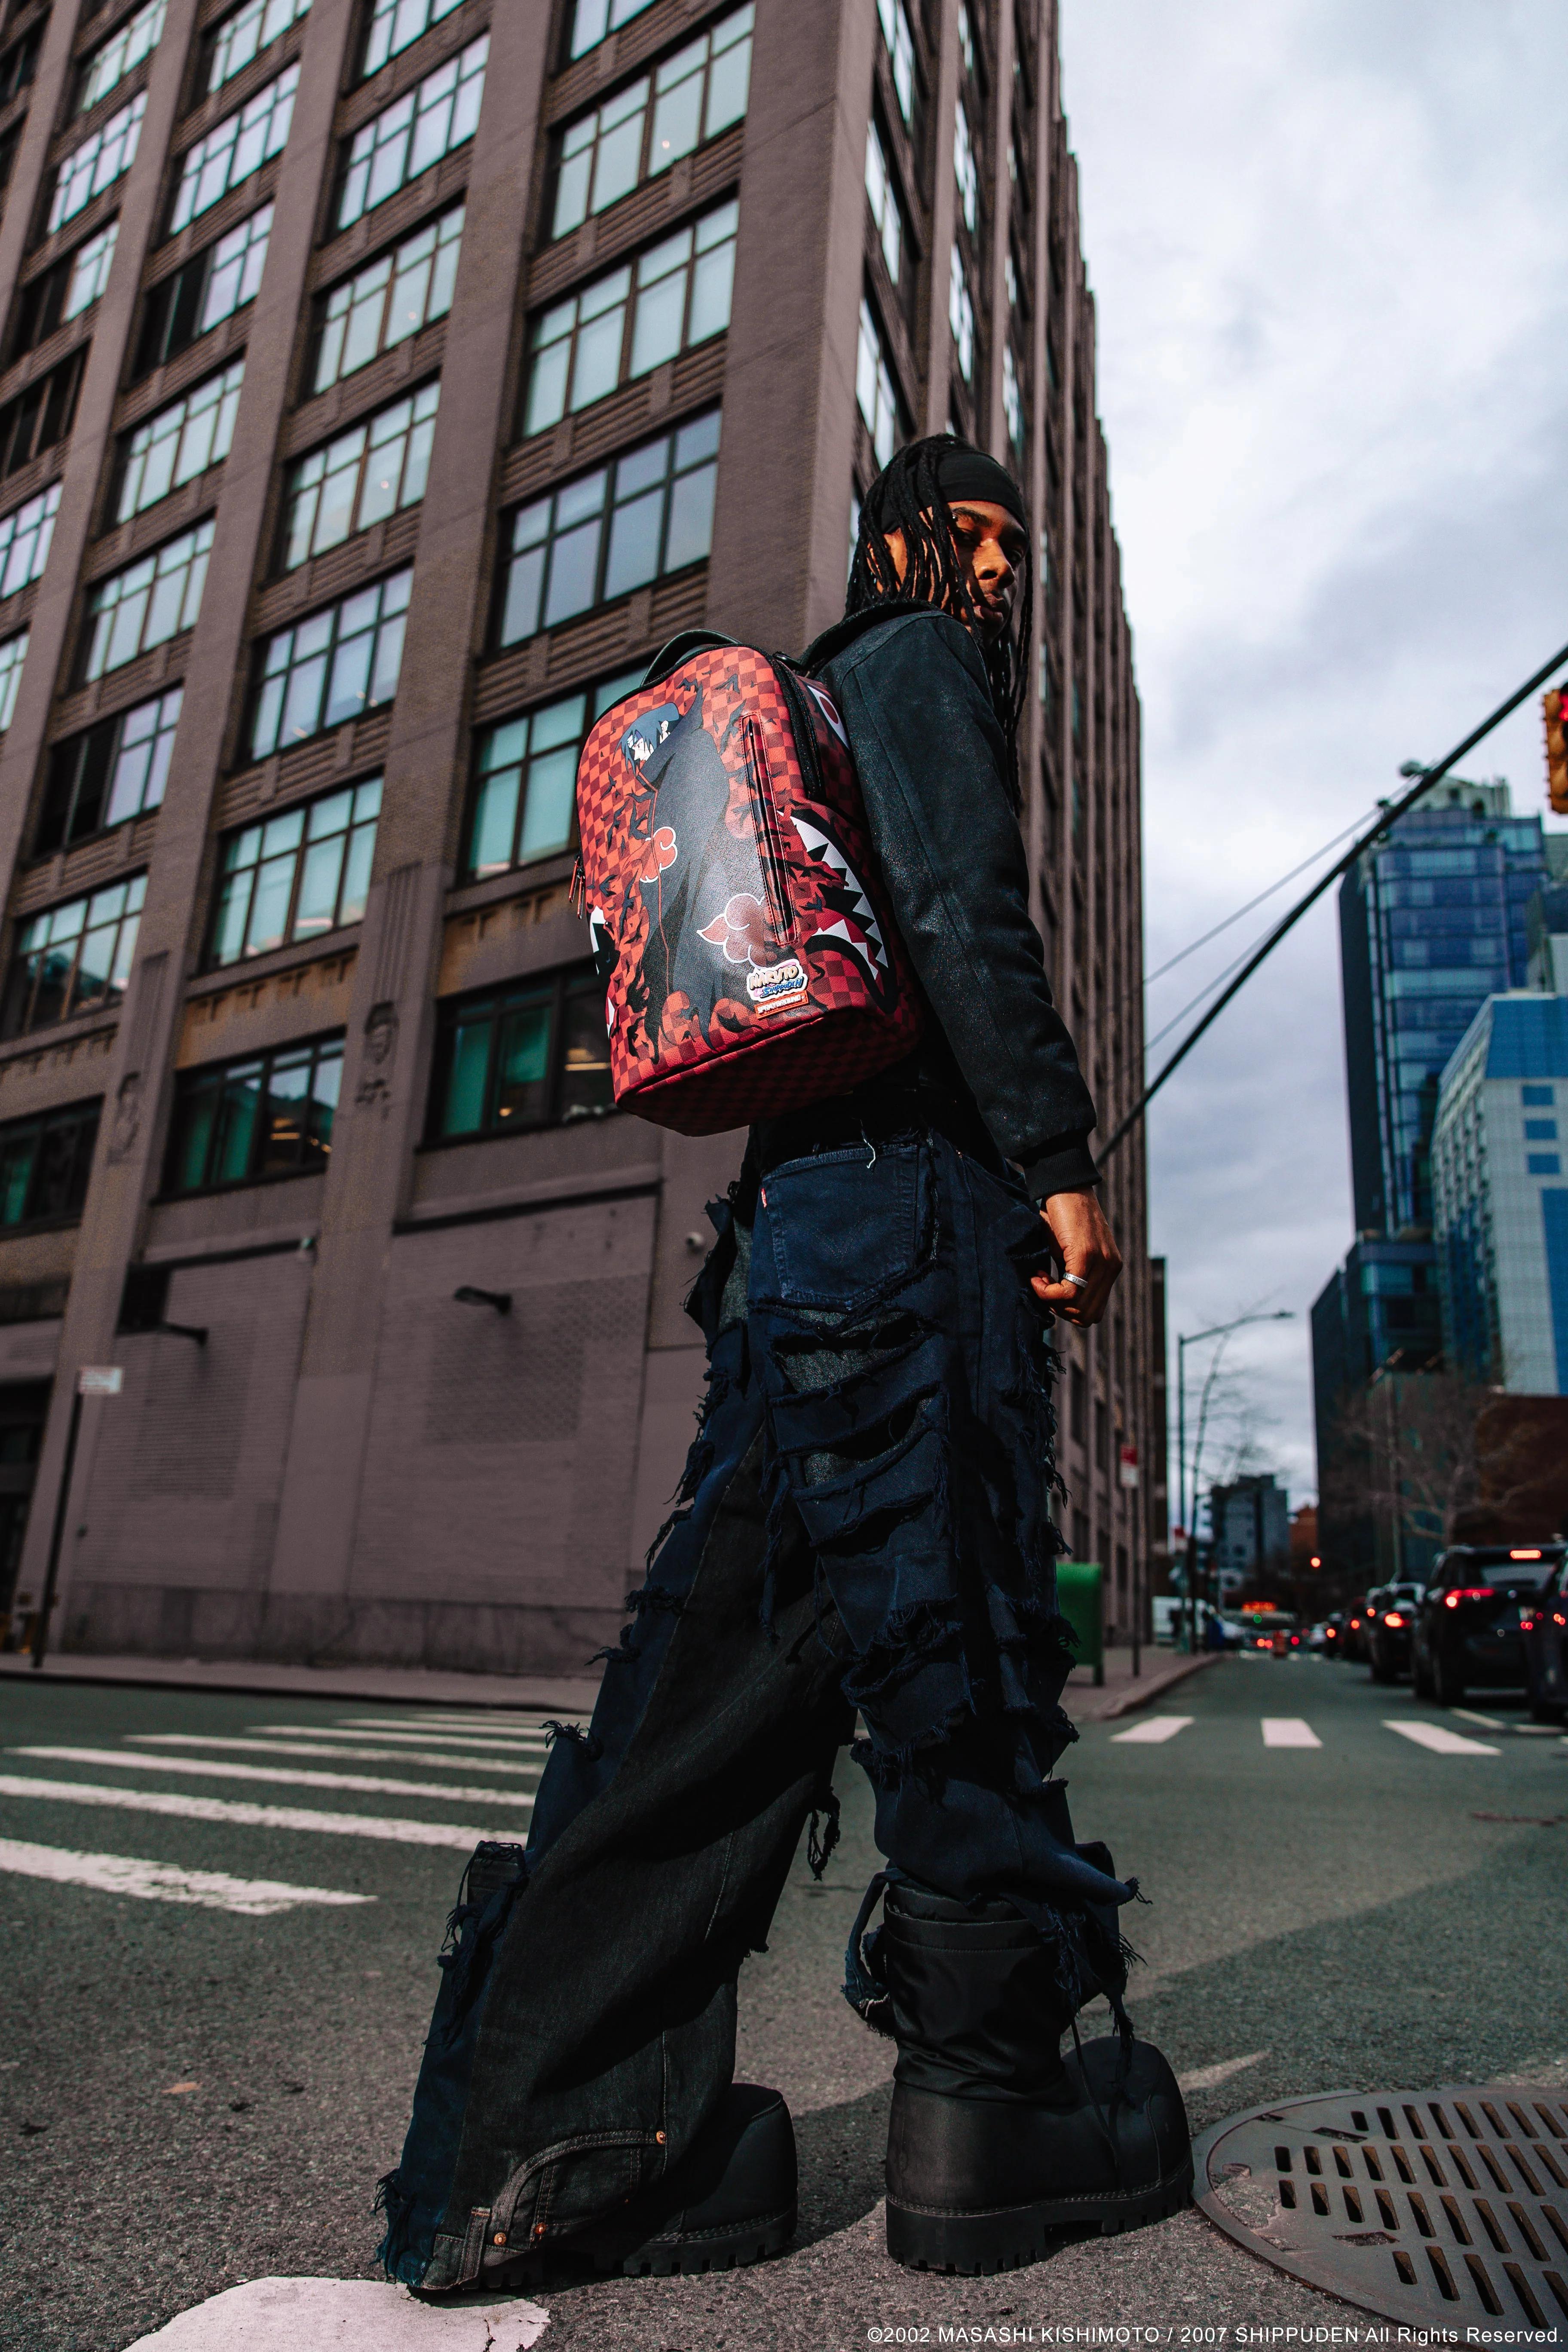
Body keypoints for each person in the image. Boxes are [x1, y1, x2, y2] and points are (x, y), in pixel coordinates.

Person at [376, 436, 1190, 2294]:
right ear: (904, 540)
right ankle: (992, 2105)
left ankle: (557, 2139)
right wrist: (1059, 1162)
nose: (1000, 574)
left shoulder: (813, 708)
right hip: (914, 1225)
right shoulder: (915, 662)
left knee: (717, 1682)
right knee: (961, 1650)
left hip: (792, 1246)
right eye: (974, 537)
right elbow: (969, 914)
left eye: (1013, 550)